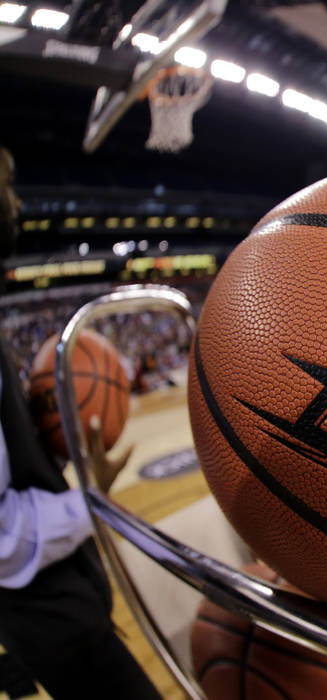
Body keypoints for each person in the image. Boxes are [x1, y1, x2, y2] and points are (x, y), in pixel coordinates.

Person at [0, 145, 163, 699]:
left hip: (50, 614)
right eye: (6, 184)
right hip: (45, 618)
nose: (15, 202)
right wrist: (90, 493)